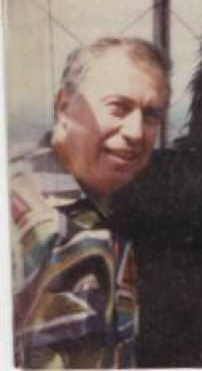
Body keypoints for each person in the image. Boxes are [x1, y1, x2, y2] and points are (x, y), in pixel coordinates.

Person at [9, 37, 170, 368]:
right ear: (64, 106)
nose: (136, 132)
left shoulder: (117, 207)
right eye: (118, 108)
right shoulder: (20, 211)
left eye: (151, 115)